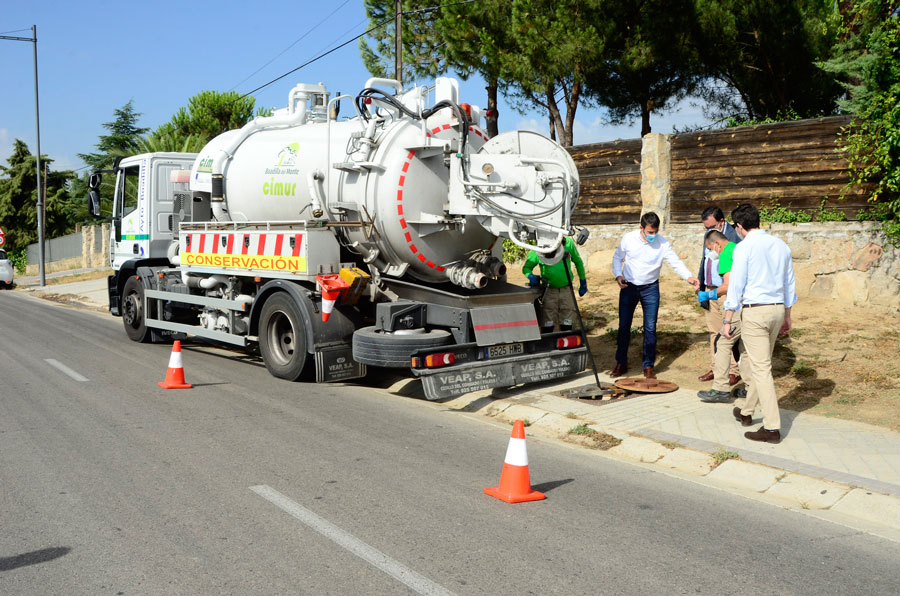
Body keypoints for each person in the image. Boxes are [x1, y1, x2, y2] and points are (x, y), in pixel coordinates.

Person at [722, 203, 797, 444]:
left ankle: (772, 428)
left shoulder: (743, 248)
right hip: (776, 309)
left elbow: (736, 284)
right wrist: (787, 314)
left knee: (761, 369)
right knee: (760, 365)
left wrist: (727, 316)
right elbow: (789, 282)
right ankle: (746, 411)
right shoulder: (780, 245)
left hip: (755, 311)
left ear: (739, 226)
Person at [611, 212, 699, 378]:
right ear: (641, 228)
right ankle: (621, 363)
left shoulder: (662, 243)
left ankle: (648, 366)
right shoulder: (628, 239)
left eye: (655, 232)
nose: (653, 235)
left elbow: (675, 261)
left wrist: (688, 276)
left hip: (650, 288)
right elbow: (617, 257)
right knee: (624, 326)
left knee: (650, 327)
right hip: (629, 287)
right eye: (649, 232)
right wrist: (618, 275)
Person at [697, 206, 742, 384]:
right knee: (714, 330)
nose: (708, 231)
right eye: (706, 228)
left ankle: (732, 370)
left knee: (728, 331)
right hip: (710, 289)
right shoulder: (710, 237)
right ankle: (717, 367)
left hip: (726, 291)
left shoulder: (735, 238)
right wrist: (701, 283)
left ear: (721, 222)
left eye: (711, 227)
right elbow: (704, 260)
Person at [523, 235, 587, 332]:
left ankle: (566, 339)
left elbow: (578, 261)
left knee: (567, 317)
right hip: (549, 290)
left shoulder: (568, 243)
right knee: (548, 319)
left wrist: (583, 281)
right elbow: (526, 267)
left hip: (566, 289)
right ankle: (547, 341)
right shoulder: (537, 249)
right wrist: (530, 276)